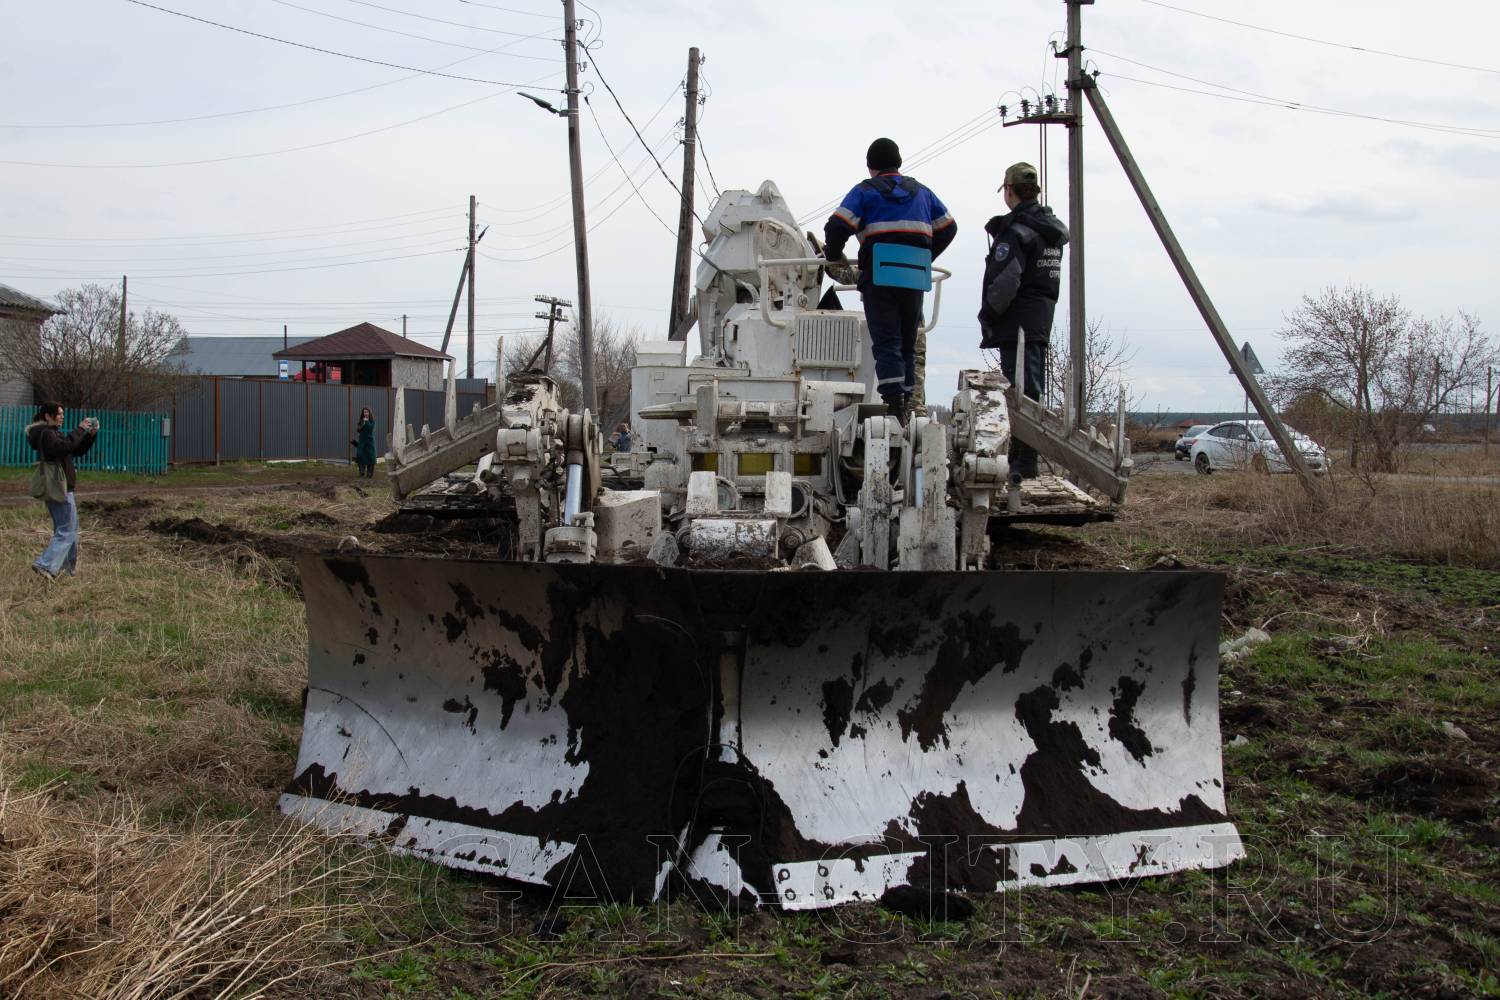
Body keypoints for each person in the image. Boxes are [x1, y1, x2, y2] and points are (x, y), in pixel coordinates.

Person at [824, 137, 956, 425]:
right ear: (898, 163)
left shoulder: (865, 191)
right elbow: (949, 227)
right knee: (908, 343)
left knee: (887, 343)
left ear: (870, 166)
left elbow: (836, 226)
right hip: (913, 277)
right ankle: (907, 402)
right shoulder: (922, 192)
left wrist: (833, 257)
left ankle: (894, 404)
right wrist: (923, 257)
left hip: (880, 277)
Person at [979, 162, 1069, 479]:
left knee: (1019, 392)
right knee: (1031, 388)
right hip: (1040, 317)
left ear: (1009, 191)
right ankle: (1024, 458)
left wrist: (989, 314)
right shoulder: (1050, 231)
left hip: (1016, 320)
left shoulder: (1017, 232)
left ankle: (1024, 460)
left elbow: (1007, 280)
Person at [25, 402, 98, 581]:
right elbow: (63, 447)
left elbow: (73, 450)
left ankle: (66, 569)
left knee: (68, 529)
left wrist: (89, 436)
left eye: (63, 414)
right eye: (58, 414)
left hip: (61, 486)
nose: (62, 417)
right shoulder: (46, 433)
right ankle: (45, 564)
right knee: (67, 530)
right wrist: (80, 429)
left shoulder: (51, 433)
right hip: (59, 487)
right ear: (47, 416)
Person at [353, 407, 377, 478]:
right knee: (360, 456)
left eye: (367, 412)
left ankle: (369, 473)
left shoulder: (372, 421)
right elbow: (358, 429)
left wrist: (366, 421)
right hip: (362, 441)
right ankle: (362, 472)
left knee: (370, 457)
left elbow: (370, 428)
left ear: (369, 413)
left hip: (370, 442)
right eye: (364, 412)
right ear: (363, 413)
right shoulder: (361, 421)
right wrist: (362, 424)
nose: (366, 413)